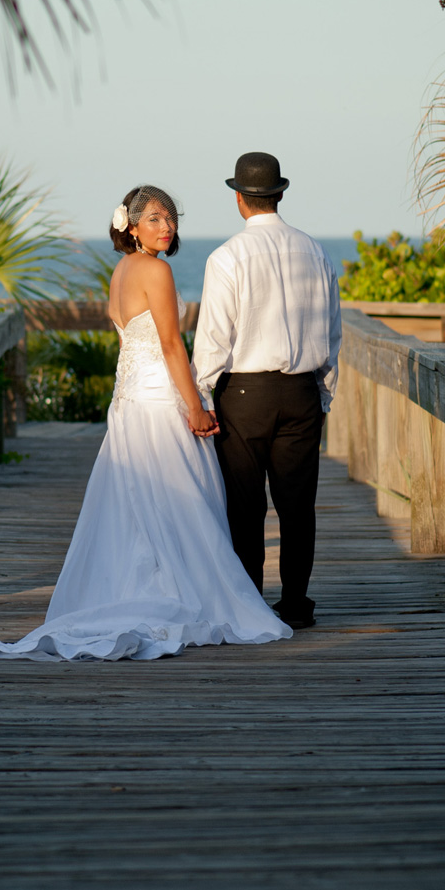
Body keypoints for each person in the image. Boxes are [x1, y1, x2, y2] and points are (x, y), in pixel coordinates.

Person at [0, 184, 291, 661]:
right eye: (154, 218)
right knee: (181, 501)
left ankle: (140, 586)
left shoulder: (121, 271)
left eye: (171, 218)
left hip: (128, 403)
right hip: (158, 403)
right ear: (130, 226)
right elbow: (172, 346)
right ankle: (184, 592)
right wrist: (194, 404)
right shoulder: (157, 270)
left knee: (137, 507)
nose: (167, 226)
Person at [191, 153, 342, 630]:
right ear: (280, 194)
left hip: (244, 396)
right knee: (298, 506)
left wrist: (201, 396)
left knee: (246, 505)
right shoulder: (316, 252)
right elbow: (332, 332)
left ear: (240, 198)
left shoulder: (227, 257)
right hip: (300, 391)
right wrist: (322, 393)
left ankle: (249, 605)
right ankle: (296, 604)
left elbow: (214, 338)